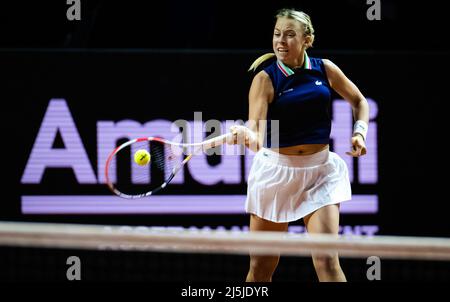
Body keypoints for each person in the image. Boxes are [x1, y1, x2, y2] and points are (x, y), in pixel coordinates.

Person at [228, 8, 369, 282]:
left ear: (307, 40)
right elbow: (256, 134)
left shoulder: (324, 68)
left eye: (290, 35)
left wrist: (359, 132)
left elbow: (359, 101)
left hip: (321, 173)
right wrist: (248, 136)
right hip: (276, 175)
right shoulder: (265, 79)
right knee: (260, 269)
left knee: (327, 261)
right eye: (277, 34)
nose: (281, 41)